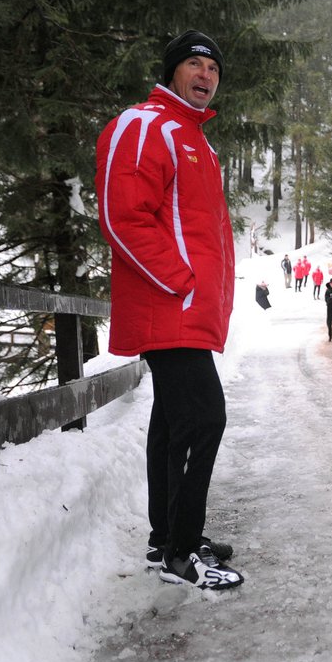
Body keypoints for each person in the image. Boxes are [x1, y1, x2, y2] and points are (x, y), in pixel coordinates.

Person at [95, 29, 244, 591]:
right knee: (205, 417)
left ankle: (168, 540)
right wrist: (181, 283)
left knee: (175, 421)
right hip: (169, 306)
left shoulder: (198, 142)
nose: (206, 75)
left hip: (184, 309)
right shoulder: (145, 125)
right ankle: (182, 552)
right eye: (195, 64)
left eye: (214, 69)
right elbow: (123, 216)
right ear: (173, 70)